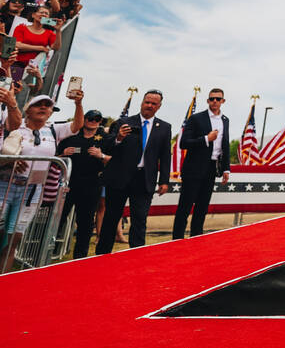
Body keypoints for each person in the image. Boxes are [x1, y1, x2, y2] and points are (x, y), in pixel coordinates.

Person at [1, 91, 84, 271]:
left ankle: (5, 280)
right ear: (28, 110)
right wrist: (11, 160)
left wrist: (78, 104)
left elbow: (77, 126)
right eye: (39, 105)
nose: (44, 108)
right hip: (5, 185)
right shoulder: (15, 124)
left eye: (48, 106)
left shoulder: (54, 128)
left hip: (32, 191)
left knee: (15, 237)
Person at [95, 90, 171, 253]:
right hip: (119, 177)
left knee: (139, 220)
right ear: (142, 102)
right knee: (111, 218)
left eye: (153, 103)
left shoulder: (164, 127)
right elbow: (107, 147)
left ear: (159, 106)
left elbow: (165, 156)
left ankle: (136, 256)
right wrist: (119, 138)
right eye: (147, 102)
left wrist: (164, 180)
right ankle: (102, 255)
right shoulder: (123, 122)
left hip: (144, 179)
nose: (149, 105)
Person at [173, 88, 230, 239]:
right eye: (212, 99)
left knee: (202, 207)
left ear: (223, 101)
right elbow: (184, 143)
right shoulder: (196, 118)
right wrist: (206, 139)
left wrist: (226, 169)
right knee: (185, 206)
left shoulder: (225, 120)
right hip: (193, 168)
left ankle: (196, 237)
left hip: (212, 168)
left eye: (218, 99)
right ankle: (177, 239)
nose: (215, 102)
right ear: (207, 101)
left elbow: (225, 145)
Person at [55, 108, 108, 258]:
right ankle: (51, 250)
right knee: (58, 218)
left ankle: (80, 257)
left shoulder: (105, 138)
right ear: (83, 119)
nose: (92, 121)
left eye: (97, 119)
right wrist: (63, 154)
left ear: (100, 122)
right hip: (68, 184)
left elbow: (115, 159)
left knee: (85, 223)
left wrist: (101, 155)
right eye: (89, 118)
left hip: (91, 185)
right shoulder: (70, 136)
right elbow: (55, 156)